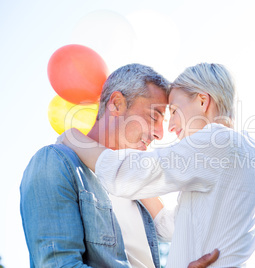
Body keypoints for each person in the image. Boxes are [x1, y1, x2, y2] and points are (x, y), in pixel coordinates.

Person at [62, 63, 255, 267]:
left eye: (175, 111)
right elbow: (172, 227)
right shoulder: (243, 156)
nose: (170, 127)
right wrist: (144, 184)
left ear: (202, 101)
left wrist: (72, 137)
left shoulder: (216, 141)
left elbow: (122, 175)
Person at [20, 63, 219, 267]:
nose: (160, 133)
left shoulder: (135, 189)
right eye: (154, 116)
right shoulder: (55, 163)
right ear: (116, 103)